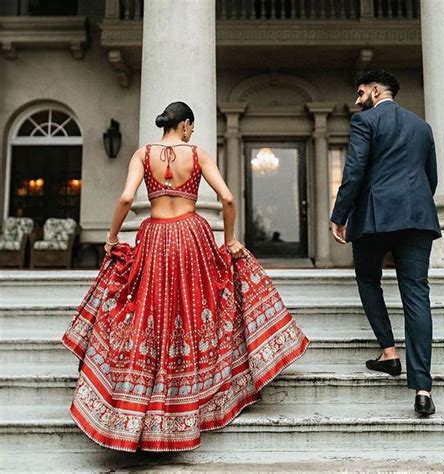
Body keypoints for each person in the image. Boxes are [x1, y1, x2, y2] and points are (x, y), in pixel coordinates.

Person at [62, 101, 309, 452]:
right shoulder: (197, 154)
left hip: (155, 236)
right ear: (186, 125)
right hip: (193, 234)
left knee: (154, 311)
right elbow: (226, 197)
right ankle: (196, 396)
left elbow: (126, 197)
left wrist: (112, 238)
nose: (192, 132)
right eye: (191, 127)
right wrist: (230, 240)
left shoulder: (142, 154)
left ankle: (140, 400)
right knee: (195, 309)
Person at [330, 70, 441, 416]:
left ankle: (390, 352)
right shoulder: (422, 126)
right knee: (416, 295)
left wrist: (339, 215)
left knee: (367, 278)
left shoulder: (365, 121)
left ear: (376, 91)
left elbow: (354, 171)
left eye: (361, 91)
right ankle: (422, 389)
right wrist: (415, 206)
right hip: (418, 218)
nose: (357, 98)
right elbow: (431, 177)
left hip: (375, 218)